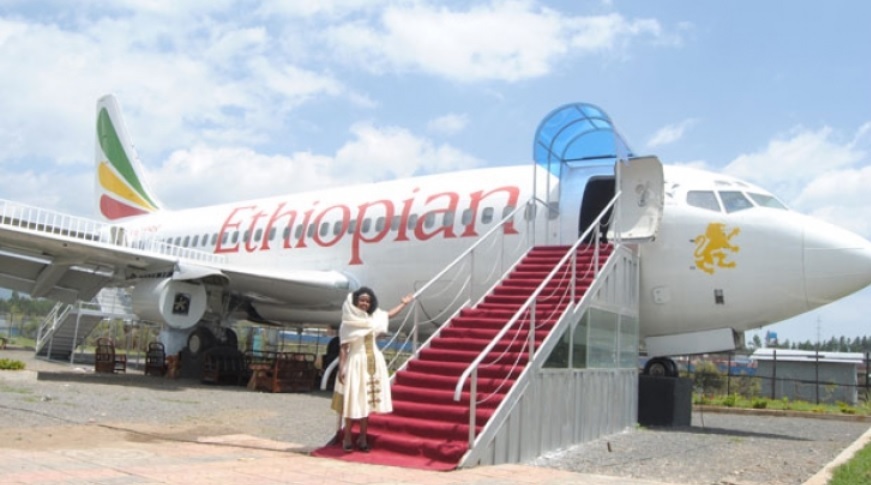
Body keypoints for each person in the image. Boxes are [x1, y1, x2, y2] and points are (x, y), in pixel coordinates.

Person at [331, 287, 412, 453]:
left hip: (374, 361)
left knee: (367, 401)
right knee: (352, 400)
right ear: (355, 301)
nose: (364, 303)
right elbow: (343, 348)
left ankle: (362, 437)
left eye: (367, 301)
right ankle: (347, 436)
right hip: (355, 362)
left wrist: (403, 304)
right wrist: (341, 368)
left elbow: (388, 314)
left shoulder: (374, 317)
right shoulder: (348, 321)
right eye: (362, 300)